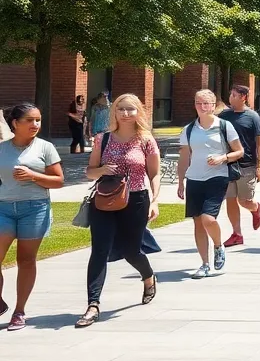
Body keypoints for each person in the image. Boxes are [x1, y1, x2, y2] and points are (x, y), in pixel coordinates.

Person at [76, 94, 161, 328]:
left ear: (138, 112)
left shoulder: (146, 140)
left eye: (130, 109)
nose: (125, 113)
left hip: (135, 200)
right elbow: (90, 171)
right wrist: (101, 169)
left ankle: (148, 276)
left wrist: (154, 201)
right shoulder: (102, 139)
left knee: (131, 251)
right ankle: (93, 304)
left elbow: (154, 174)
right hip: (105, 201)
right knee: (99, 250)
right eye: (121, 109)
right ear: (114, 112)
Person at [0, 104, 64, 330]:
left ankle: (19, 311)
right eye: (29, 120)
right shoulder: (2, 149)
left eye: (38, 120)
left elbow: (58, 181)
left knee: (25, 260)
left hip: (34, 208)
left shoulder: (45, 148)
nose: (35, 125)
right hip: (3, 208)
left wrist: (32, 176)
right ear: (15, 123)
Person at [177, 90, 244, 279]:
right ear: (195, 104)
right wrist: (181, 181)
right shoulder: (189, 130)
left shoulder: (224, 126)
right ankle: (205, 264)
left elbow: (239, 151)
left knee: (208, 219)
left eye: (207, 103)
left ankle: (218, 245)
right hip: (194, 179)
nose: (203, 106)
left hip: (217, 177)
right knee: (198, 222)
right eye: (199, 103)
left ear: (214, 106)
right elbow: (184, 157)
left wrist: (223, 157)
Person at [218, 85, 260, 248]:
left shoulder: (253, 117)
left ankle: (255, 208)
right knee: (230, 200)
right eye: (230, 94)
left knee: (244, 201)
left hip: (247, 165)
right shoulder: (224, 116)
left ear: (243, 97)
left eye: (234, 95)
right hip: (229, 164)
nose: (230, 97)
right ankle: (236, 234)